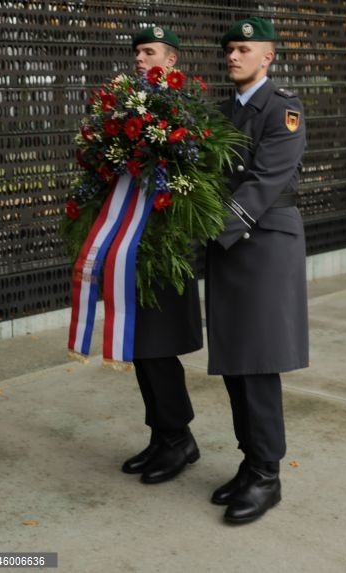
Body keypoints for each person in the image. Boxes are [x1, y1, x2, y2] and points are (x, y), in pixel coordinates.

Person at [205, 16, 308, 524]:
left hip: (264, 242)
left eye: (244, 48)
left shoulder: (282, 108)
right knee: (234, 358)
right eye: (229, 48)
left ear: (267, 56)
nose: (233, 55)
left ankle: (268, 474)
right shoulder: (221, 111)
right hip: (229, 245)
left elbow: (266, 180)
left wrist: (211, 229)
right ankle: (250, 462)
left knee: (259, 360)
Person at [120, 27, 203, 485]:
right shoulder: (126, 106)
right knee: (140, 346)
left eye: (148, 51)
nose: (139, 57)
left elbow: (196, 176)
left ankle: (179, 439)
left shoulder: (183, 109)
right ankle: (162, 435)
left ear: (170, 61)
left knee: (158, 346)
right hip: (133, 242)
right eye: (136, 51)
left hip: (165, 244)